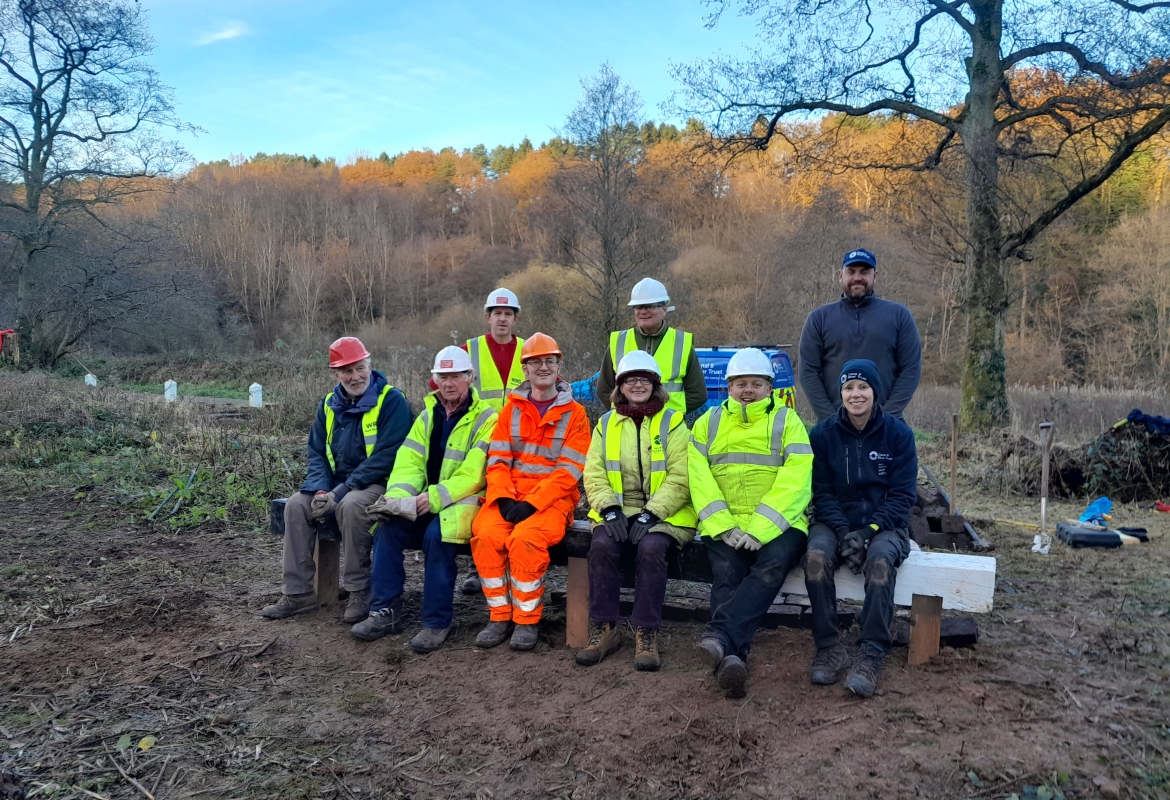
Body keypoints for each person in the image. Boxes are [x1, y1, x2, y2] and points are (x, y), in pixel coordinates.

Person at [351, 346, 498, 652]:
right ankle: (385, 610)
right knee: (389, 528)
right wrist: (399, 499)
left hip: (463, 505)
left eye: (456, 375)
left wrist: (431, 499)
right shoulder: (427, 415)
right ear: (435, 379)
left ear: (470, 377)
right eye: (443, 376)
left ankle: (436, 621)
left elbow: (474, 474)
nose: (449, 383)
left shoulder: (488, 418)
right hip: (425, 502)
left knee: (437, 535)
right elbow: (409, 463)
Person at [688, 348, 813, 698]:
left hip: (781, 524)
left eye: (756, 384)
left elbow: (797, 480)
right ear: (728, 387)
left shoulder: (788, 421)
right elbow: (699, 479)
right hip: (724, 524)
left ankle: (718, 638)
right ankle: (733, 660)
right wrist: (725, 526)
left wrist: (760, 529)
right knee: (727, 575)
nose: (748, 390)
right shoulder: (707, 423)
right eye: (741, 383)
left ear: (769, 388)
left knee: (770, 568)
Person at [262, 337, 411, 623]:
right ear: (336, 374)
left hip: (377, 482)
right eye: (347, 371)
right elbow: (316, 453)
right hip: (334, 485)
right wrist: (319, 489)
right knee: (296, 505)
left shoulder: (392, 400)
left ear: (370, 365)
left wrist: (340, 491)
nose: (355, 376)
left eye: (360, 368)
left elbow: (388, 455)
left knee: (351, 506)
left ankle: (358, 589)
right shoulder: (328, 404)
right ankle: (297, 593)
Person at [804, 359, 917, 697]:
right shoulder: (822, 434)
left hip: (885, 525)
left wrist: (868, 532)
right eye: (849, 388)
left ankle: (871, 651)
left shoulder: (899, 434)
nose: (856, 394)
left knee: (881, 562)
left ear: (875, 392)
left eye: (863, 387)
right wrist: (842, 533)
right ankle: (829, 645)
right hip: (835, 522)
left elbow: (903, 496)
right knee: (814, 559)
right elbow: (821, 492)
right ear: (841, 393)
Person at [471, 332, 591, 651]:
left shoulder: (576, 414)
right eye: (535, 362)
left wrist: (533, 503)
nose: (542, 367)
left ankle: (526, 621)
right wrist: (504, 496)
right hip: (509, 497)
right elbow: (496, 460)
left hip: (552, 502)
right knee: (485, 536)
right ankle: (499, 616)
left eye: (549, 361)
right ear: (524, 369)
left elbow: (569, 472)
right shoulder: (510, 410)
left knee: (526, 540)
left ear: (558, 366)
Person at [579, 351, 697, 671]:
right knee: (601, 545)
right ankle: (605, 629)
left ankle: (646, 631)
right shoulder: (606, 423)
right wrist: (609, 508)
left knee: (651, 548)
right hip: (619, 508)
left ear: (655, 384)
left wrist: (652, 513)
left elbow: (682, 474)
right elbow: (594, 471)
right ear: (620, 386)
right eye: (630, 380)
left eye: (644, 379)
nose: (637, 385)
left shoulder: (672, 421)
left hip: (668, 512)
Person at [428, 288, 525, 595]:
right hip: (477, 437)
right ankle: (475, 566)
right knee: (479, 499)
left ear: (515, 319)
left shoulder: (527, 349)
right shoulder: (468, 349)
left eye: (508, 314)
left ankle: (509, 562)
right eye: (497, 313)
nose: (502, 319)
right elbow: (440, 384)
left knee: (512, 501)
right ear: (488, 317)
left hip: (519, 440)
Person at [798, 248, 922, 422]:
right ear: (840, 275)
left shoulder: (899, 315)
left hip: (887, 429)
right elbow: (808, 372)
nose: (857, 277)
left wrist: (886, 419)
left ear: (875, 276)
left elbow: (911, 369)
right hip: (833, 429)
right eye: (851, 271)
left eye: (864, 272)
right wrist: (831, 419)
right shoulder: (818, 319)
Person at [596, 278, 707, 414]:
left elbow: (698, 394)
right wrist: (628, 413)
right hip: (626, 426)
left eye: (649, 306)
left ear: (664, 309)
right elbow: (604, 389)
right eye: (638, 307)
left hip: (667, 430)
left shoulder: (682, 342)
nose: (643, 311)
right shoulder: (618, 341)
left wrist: (669, 416)